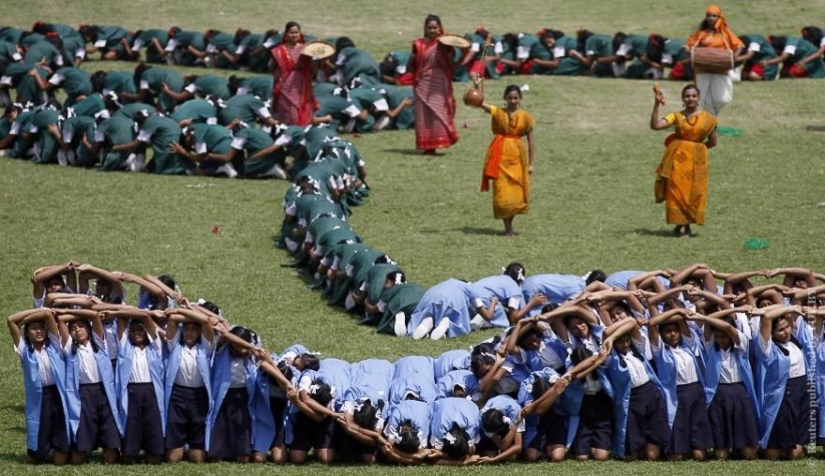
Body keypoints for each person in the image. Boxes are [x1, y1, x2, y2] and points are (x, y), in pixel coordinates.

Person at [650, 84, 718, 238]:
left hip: (697, 163)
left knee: (692, 193)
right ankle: (685, 228)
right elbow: (655, 126)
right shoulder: (676, 116)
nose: (690, 99)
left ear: (698, 98)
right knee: (677, 191)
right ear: (682, 98)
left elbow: (713, 142)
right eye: (687, 96)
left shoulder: (709, 119)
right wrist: (656, 104)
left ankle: (682, 226)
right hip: (677, 161)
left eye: (694, 96)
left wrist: (697, 150)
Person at [7, 309, 70, 465]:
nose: (39, 331)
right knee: (36, 455)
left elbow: (48, 315)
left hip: (57, 393)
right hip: (38, 396)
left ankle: (60, 446)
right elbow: (11, 320)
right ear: (26, 333)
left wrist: (39, 313)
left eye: (41, 328)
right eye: (33, 329)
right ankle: (40, 449)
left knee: (60, 458)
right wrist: (32, 315)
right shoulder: (24, 350)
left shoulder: (54, 344)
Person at [470, 84, 534, 236]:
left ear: (520, 99)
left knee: (516, 195)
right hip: (499, 157)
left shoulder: (526, 117)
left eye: (516, 98)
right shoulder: (498, 112)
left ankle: (510, 224)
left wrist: (531, 163)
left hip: (518, 158)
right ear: (505, 98)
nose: (513, 100)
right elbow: (480, 103)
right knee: (501, 194)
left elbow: (531, 141)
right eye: (510, 97)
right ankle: (508, 228)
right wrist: (478, 86)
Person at [408, 14, 462, 155]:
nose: (432, 30)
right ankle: (428, 147)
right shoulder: (418, 44)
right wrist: (413, 61)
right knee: (424, 116)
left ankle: (440, 141)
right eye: (429, 28)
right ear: (425, 29)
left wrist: (461, 53)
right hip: (422, 84)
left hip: (440, 82)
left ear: (440, 29)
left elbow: (453, 65)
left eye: (435, 28)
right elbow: (411, 66)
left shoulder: (444, 44)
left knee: (440, 113)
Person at [684, 5, 743, 116]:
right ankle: (709, 123)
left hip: (721, 69)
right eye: (708, 16)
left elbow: (739, 45)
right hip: (703, 69)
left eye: (714, 16)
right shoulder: (701, 33)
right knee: (702, 98)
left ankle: (711, 116)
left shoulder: (725, 33)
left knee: (724, 99)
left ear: (719, 17)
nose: (710, 18)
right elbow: (688, 45)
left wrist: (734, 57)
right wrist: (691, 52)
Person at [270, 22, 315, 126]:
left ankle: (300, 130)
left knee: (301, 107)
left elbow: (311, 67)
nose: (294, 35)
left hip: (301, 83)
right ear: (286, 34)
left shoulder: (305, 49)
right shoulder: (279, 50)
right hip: (285, 83)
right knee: (287, 107)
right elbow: (271, 66)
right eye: (291, 32)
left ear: (300, 34)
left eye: (296, 32)